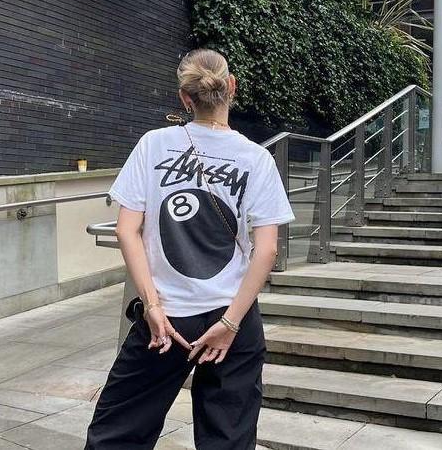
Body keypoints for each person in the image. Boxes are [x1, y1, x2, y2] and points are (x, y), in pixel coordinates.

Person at [84, 48, 295, 450]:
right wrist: (230, 324)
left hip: (165, 318)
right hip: (231, 315)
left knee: (118, 433)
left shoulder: (153, 144)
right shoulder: (257, 159)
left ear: (185, 98)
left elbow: (127, 231)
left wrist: (151, 306)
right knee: (228, 439)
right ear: (231, 87)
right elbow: (267, 251)